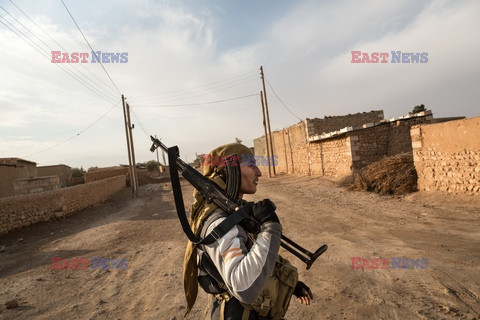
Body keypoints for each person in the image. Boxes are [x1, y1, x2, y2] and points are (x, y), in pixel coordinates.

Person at [183, 143, 313, 320]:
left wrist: (292, 283)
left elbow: (252, 252)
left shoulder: (233, 212)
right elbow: (244, 286)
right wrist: (270, 227)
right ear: (231, 170)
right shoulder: (220, 223)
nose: (259, 172)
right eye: (251, 165)